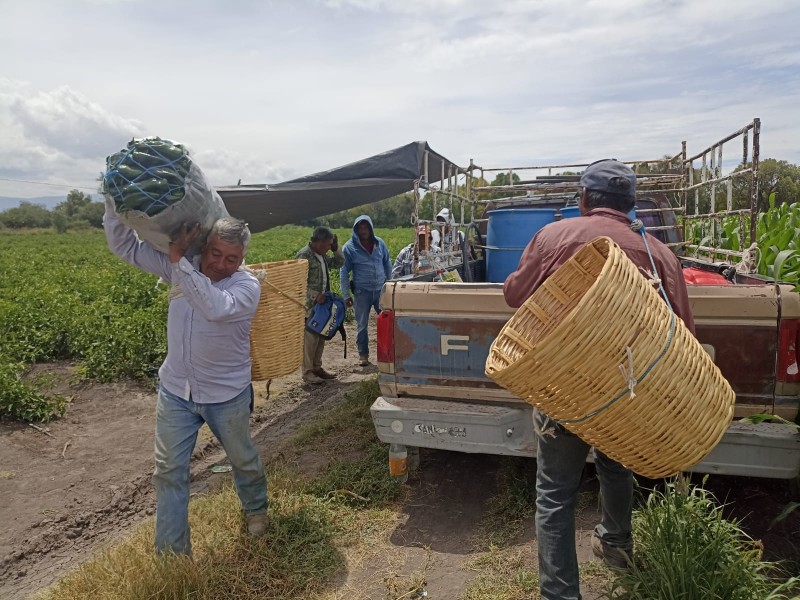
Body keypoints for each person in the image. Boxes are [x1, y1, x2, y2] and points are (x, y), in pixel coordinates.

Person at [503, 159, 695, 600]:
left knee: (554, 493)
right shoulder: (658, 254)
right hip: (627, 391)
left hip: (563, 387)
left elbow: (514, 294)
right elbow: (683, 331)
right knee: (615, 467)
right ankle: (616, 545)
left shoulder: (554, 237)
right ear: (631, 205)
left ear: (584, 200)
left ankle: (560, 594)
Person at [103, 204, 268, 556]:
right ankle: (173, 556)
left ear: (242, 260)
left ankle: (255, 508)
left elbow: (215, 307)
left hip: (226, 395)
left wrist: (178, 262)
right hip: (176, 391)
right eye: (215, 253)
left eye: (232, 258)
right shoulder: (183, 265)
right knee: (168, 472)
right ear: (204, 247)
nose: (220, 264)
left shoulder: (246, 286)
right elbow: (127, 247)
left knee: (242, 459)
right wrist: (114, 205)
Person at [340, 215, 392, 366]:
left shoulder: (379, 243)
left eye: (366, 227)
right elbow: (344, 272)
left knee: (388, 321)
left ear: (370, 228)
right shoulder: (349, 248)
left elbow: (387, 263)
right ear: (356, 230)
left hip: (381, 290)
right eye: (360, 228)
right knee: (362, 325)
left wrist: (390, 283)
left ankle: (389, 352)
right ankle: (363, 354)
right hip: (362, 292)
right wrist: (345, 295)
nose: (363, 230)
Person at [296, 226, 344, 384]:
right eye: (328, 244)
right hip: (309, 306)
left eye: (331, 245)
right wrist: (315, 295)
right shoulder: (304, 255)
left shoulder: (322, 256)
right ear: (319, 242)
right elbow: (298, 283)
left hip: (322, 305)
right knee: (310, 338)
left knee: (320, 335)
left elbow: (339, 263)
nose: (329, 247)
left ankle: (317, 367)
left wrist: (336, 249)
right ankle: (308, 372)